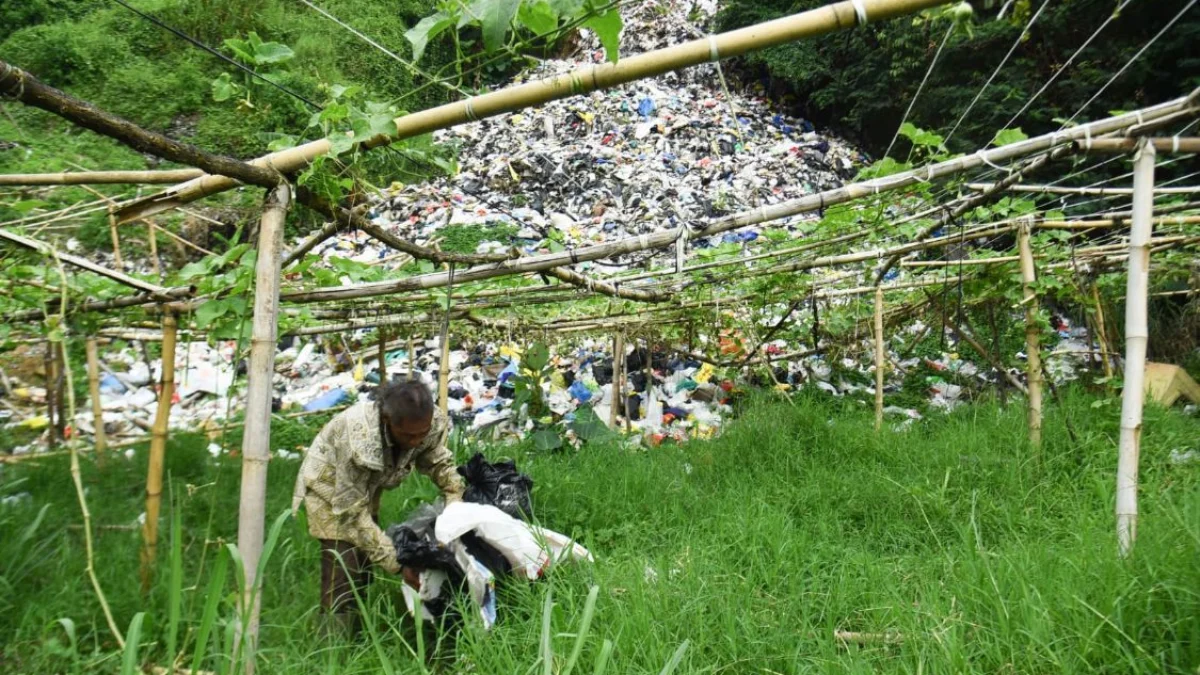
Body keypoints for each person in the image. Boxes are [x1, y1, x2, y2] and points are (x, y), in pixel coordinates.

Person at [292, 378, 464, 636]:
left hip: (366, 486)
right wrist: (398, 564)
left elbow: (437, 460)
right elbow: (351, 512)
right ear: (386, 420)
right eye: (408, 435)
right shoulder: (358, 438)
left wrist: (455, 499)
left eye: (421, 433)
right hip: (328, 486)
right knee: (343, 566)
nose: (416, 441)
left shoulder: (430, 423)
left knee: (363, 563)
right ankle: (333, 646)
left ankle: (357, 628)